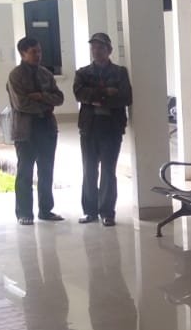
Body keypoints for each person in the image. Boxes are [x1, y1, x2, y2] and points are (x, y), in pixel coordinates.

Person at [73, 31, 132, 227]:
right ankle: (89, 211)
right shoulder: (83, 73)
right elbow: (79, 94)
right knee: (89, 170)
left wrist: (95, 97)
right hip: (89, 127)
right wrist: (106, 92)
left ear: (109, 50)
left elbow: (125, 97)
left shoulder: (120, 72)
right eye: (93, 47)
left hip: (111, 128)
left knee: (108, 170)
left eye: (100, 47)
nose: (96, 51)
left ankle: (107, 212)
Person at [7, 36, 65, 225]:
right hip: (25, 130)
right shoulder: (16, 76)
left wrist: (41, 96)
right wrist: (46, 104)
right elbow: (21, 104)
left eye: (39, 51)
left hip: (47, 128)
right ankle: (24, 213)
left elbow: (59, 98)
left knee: (46, 170)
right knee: (25, 171)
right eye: (34, 52)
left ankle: (46, 210)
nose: (38, 55)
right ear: (23, 53)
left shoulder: (46, 74)